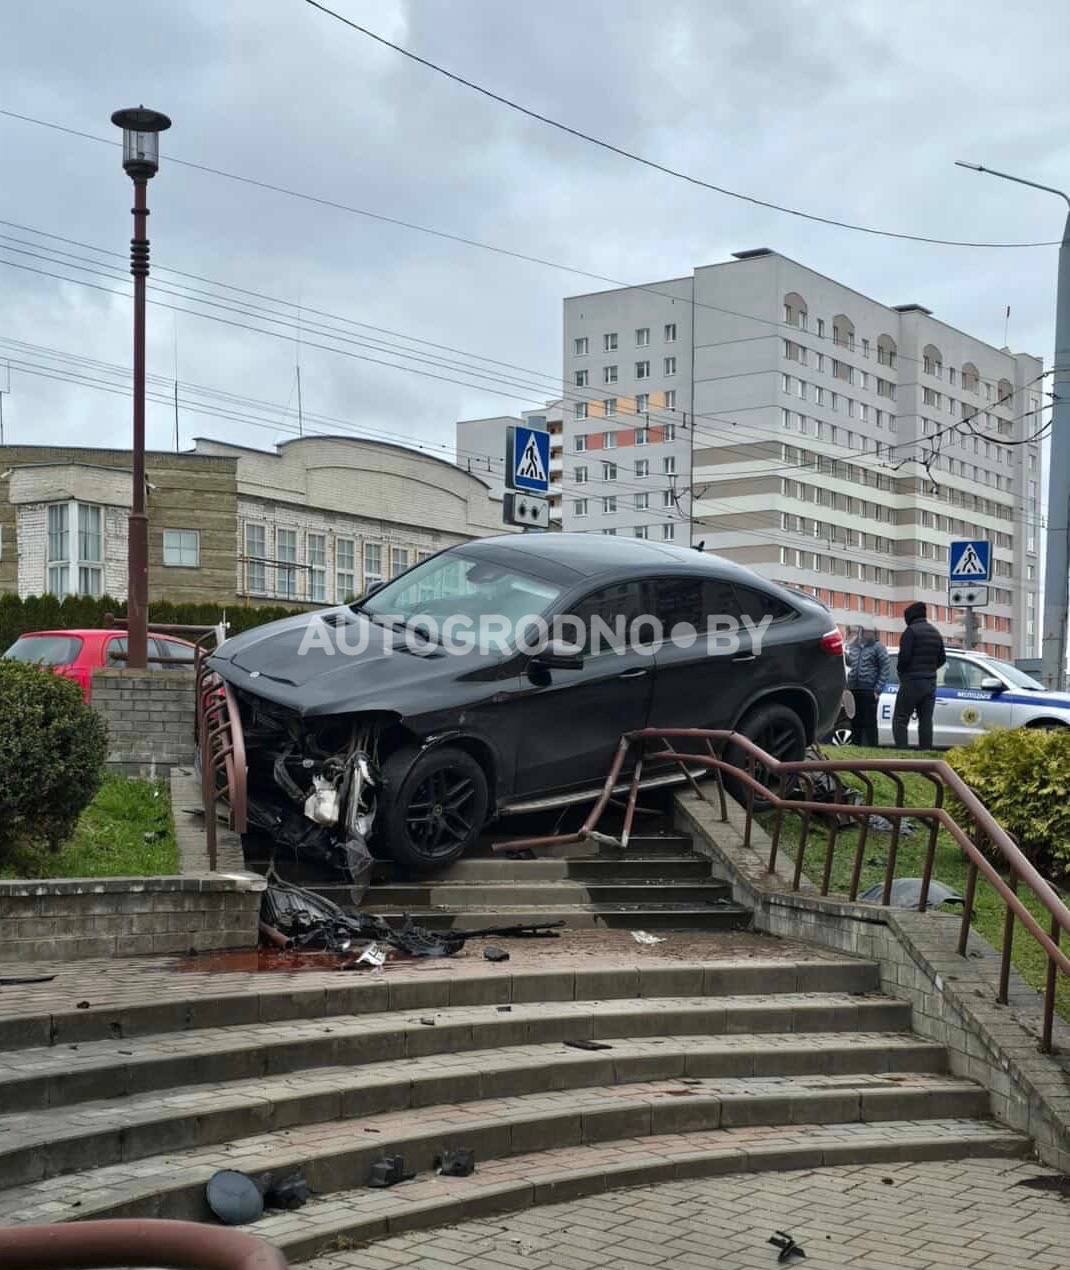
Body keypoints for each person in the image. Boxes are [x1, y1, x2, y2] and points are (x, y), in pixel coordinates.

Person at [892, 601, 946, 750]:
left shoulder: (911, 632)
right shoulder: (935, 632)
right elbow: (942, 659)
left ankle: (902, 749)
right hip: (930, 683)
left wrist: (902, 673)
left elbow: (904, 658)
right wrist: (930, 670)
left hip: (912, 681)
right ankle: (926, 749)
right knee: (926, 719)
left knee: (901, 718)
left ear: (910, 617)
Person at [845, 627, 890, 747]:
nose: (866, 633)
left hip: (869, 690)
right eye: (864, 630)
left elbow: (885, 668)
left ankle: (871, 746)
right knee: (854, 721)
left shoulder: (878, 647)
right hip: (853, 689)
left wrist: (877, 690)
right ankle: (856, 745)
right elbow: (847, 664)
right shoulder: (853, 646)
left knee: (870, 722)